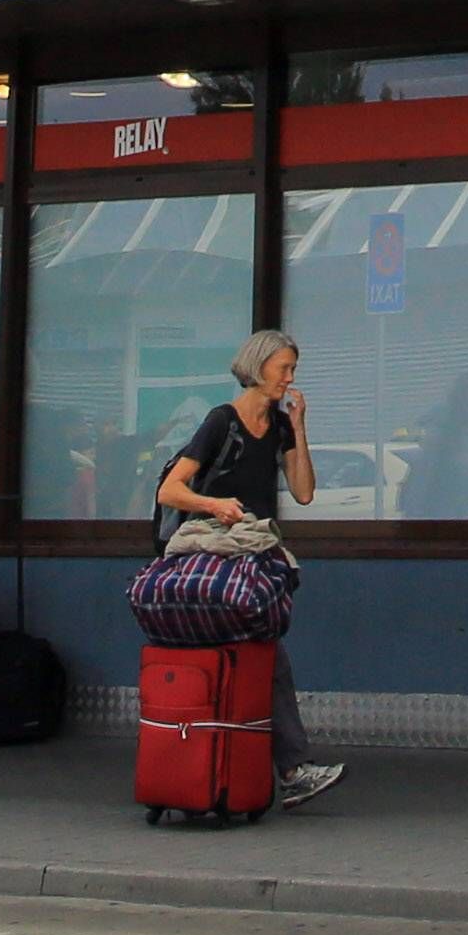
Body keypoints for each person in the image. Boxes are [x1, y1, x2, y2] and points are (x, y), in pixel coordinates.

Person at [156, 328, 340, 813]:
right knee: (261, 656)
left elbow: (303, 492)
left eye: (293, 370)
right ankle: (285, 769)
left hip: (252, 558)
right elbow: (170, 490)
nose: (289, 378)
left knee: (262, 656)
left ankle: (263, 767)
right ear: (258, 369)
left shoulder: (278, 425)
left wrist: (299, 428)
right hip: (212, 559)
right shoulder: (221, 421)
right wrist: (214, 504)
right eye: (284, 368)